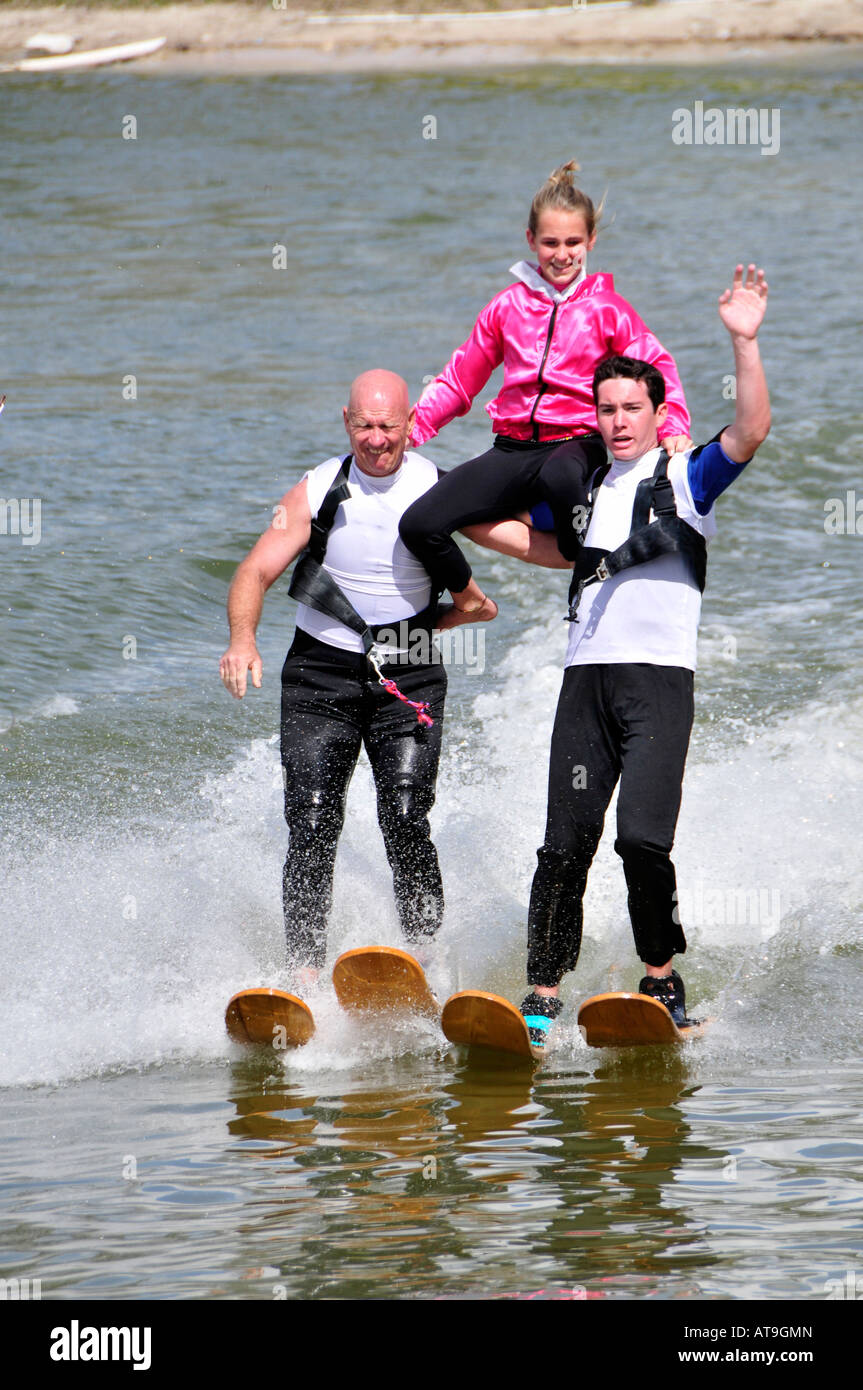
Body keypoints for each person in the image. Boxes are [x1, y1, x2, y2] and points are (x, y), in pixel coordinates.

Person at [219, 370, 568, 993]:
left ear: (410, 422)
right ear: (346, 422)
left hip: (407, 676)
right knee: (312, 816)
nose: (376, 440)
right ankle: (302, 973)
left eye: (388, 426)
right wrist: (243, 638)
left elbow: (518, 541)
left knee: (405, 814)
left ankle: (424, 957)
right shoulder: (320, 487)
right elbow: (254, 570)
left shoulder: (438, 486)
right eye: (364, 426)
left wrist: (593, 552)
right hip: (318, 674)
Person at [518, 265, 771, 1051]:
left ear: (657, 412)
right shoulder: (586, 487)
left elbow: (751, 429)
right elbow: (516, 531)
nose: (619, 420)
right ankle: (538, 996)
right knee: (564, 842)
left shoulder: (683, 476)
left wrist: (742, 341)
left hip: (657, 686)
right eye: (606, 409)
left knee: (639, 841)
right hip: (584, 685)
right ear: (593, 415)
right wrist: (428, 518)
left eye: (632, 408)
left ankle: (659, 977)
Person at [398, 159, 692, 623]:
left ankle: (588, 567)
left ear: (591, 242)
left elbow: (656, 366)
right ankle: (471, 600)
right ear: (531, 240)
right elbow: (460, 377)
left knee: (560, 478)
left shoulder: (607, 309)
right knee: (419, 523)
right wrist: (412, 430)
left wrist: (672, 423)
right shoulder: (506, 306)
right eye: (551, 242)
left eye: (573, 242)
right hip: (512, 448)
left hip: (577, 444)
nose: (562, 254)